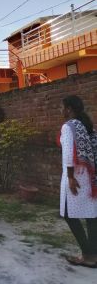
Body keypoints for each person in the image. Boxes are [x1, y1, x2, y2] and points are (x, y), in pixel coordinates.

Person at [59, 95, 97, 267]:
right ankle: (93, 255)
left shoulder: (68, 127)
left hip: (75, 175)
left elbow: (68, 153)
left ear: (68, 109)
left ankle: (88, 255)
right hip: (90, 176)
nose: (61, 111)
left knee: (68, 213)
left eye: (62, 107)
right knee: (92, 216)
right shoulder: (87, 126)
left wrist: (70, 177)